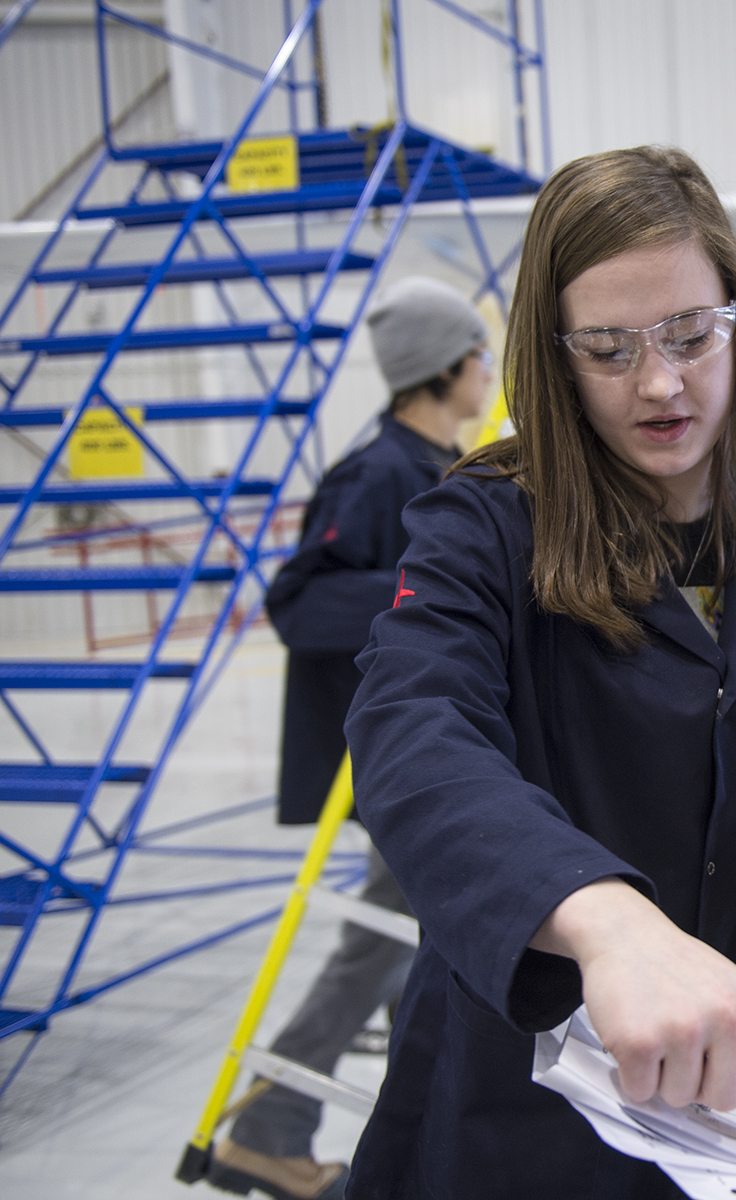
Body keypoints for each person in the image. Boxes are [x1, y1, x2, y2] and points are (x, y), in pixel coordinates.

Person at [341, 146, 736, 1199]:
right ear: (553, 360)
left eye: (690, 335)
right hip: (526, 1107)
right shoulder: (484, 530)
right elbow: (416, 733)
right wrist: (607, 922)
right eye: (607, 348)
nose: (660, 383)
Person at [207, 278, 494, 1200]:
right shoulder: (377, 472)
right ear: (444, 370)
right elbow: (297, 599)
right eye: (478, 357)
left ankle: (274, 1120)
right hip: (380, 755)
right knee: (390, 941)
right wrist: (432, 584)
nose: (489, 373)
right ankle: (269, 1125)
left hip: (423, 744)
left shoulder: (433, 461)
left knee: (403, 939)